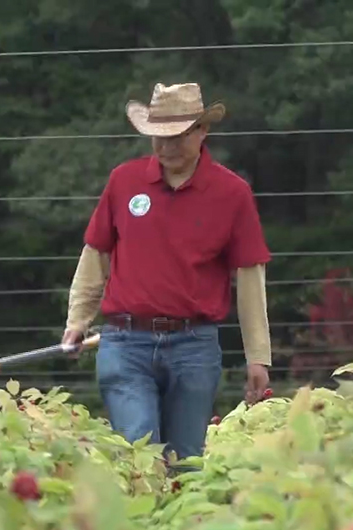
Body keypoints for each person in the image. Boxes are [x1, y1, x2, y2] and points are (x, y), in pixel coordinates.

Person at [61, 82, 273, 463]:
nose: (165, 147)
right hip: (125, 343)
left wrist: (258, 356)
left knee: (185, 461)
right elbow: (96, 256)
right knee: (139, 453)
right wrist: (77, 320)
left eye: (176, 137)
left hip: (194, 347)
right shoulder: (123, 182)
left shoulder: (232, 193)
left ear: (202, 131)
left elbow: (250, 277)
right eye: (157, 137)